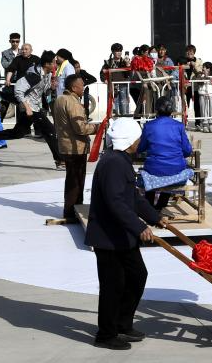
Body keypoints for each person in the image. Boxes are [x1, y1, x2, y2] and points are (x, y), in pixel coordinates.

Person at [84, 119, 167, 350]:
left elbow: (133, 197)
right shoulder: (113, 163)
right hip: (107, 236)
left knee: (137, 275)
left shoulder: (120, 160)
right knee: (113, 285)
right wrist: (139, 227)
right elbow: (116, 202)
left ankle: (122, 323)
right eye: (138, 138)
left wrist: (155, 217)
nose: (140, 141)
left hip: (121, 235)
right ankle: (106, 334)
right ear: (130, 140)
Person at [54, 73, 99, 222]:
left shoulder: (60, 99)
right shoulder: (72, 102)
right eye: (81, 85)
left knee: (72, 179)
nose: (83, 87)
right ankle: (72, 211)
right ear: (74, 87)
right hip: (75, 147)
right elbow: (80, 128)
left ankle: (71, 209)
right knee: (76, 181)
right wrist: (96, 128)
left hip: (65, 145)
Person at [138, 96, 193, 211]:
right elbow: (187, 151)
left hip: (154, 169)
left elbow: (140, 148)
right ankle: (160, 205)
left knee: (151, 174)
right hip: (176, 169)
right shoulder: (179, 126)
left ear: (156, 110)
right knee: (168, 172)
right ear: (171, 111)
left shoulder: (149, 126)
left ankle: (150, 206)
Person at [13, 50, 61, 168]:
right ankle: (60, 161)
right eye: (54, 62)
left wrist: (51, 88)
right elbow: (18, 90)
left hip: (36, 107)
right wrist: (27, 107)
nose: (55, 64)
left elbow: (44, 92)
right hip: (30, 107)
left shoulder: (47, 74)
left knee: (17, 133)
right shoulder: (34, 74)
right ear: (47, 64)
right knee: (51, 131)